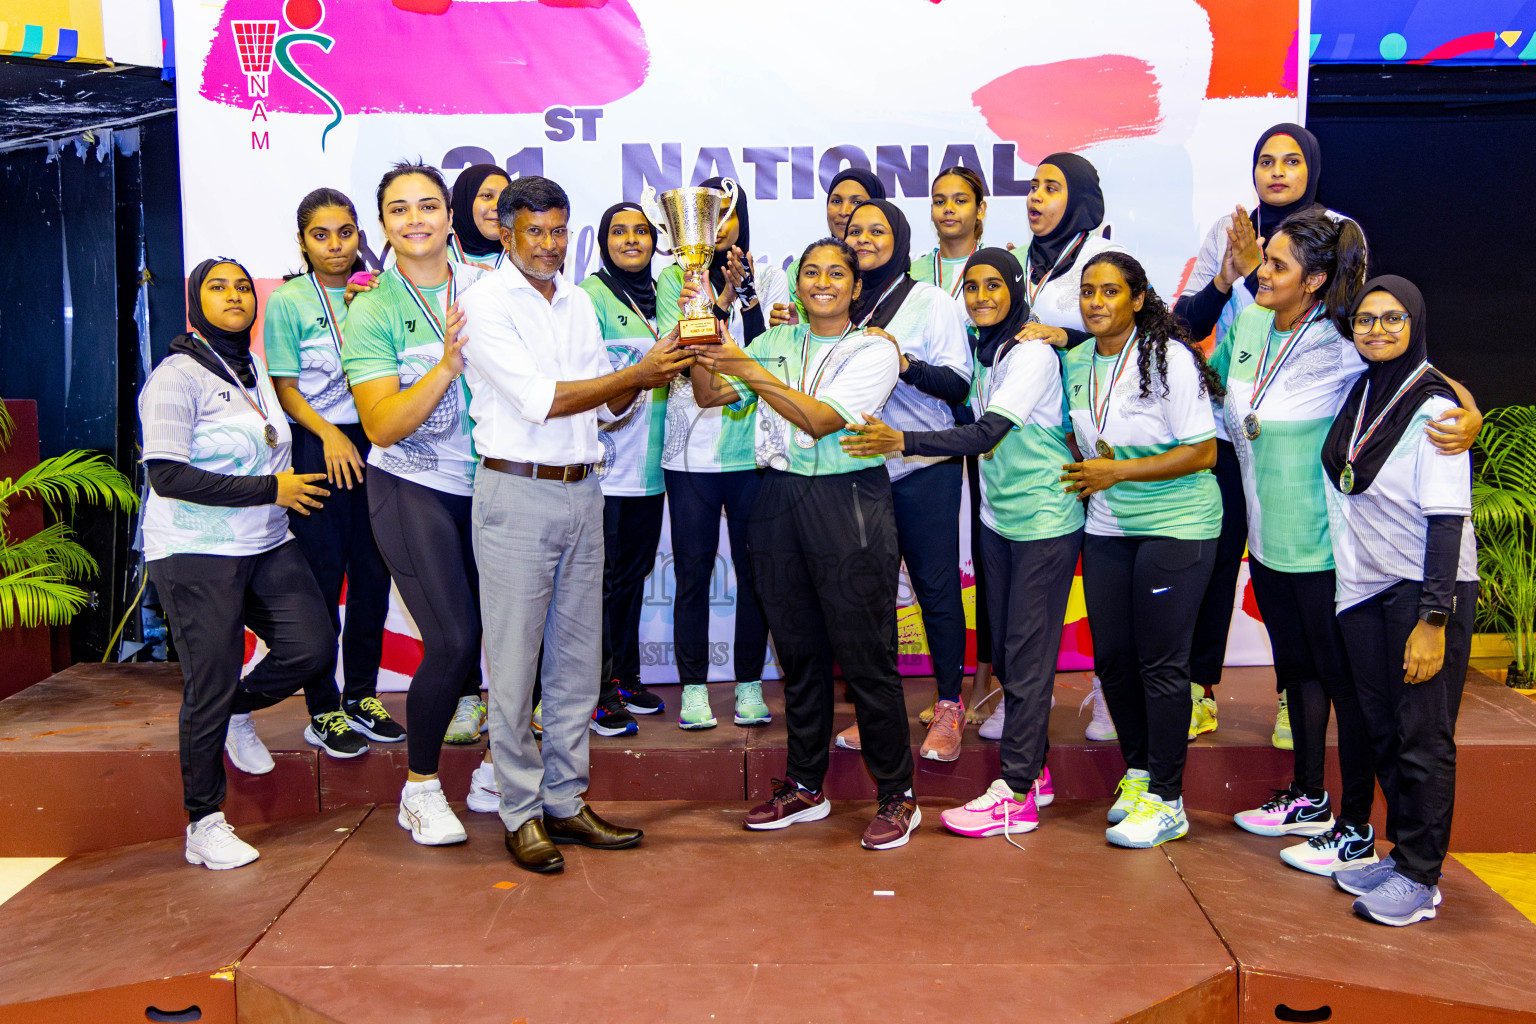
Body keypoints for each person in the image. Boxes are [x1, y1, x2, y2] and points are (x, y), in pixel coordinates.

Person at [461, 175, 688, 873]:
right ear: (505, 233)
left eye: (560, 231)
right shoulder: (482, 302)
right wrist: (635, 375)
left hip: (585, 490)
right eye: (536, 232)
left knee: (575, 663)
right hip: (516, 490)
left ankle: (565, 800)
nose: (550, 245)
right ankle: (520, 812)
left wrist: (651, 375)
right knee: (516, 661)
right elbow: (537, 401)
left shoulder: (579, 304)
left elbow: (601, 407)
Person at [842, 248, 1083, 835]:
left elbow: (985, 432)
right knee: (1009, 648)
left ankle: (1018, 793)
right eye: (971, 287)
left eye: (994, 285)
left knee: (1025, 659)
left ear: (1017, 288)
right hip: (1002, 520)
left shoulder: (1029, 356)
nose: (980, 297)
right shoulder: (990, 352)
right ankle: (1039, 774)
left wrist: (905, 440)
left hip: (1045, 522)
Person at [689, 237, 917, 850]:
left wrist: (745, 367)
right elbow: (710, 395)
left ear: (855, 286)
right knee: (799, 656)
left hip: (848, 505)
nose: (823, 282)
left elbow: (820, 420)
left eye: (836, 273)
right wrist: (699, 336)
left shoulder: (873, 351)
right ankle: (806, 785)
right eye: (811, 272)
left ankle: (897, 794)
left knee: (866, 656)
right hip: (775, 500)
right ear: (797, 286)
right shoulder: (771, 343)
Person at [140, 258, 340, 870]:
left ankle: (235, 711)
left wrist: (270, 500)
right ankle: (203, 822)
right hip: (195, 550)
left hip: (264, 541)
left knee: (311, 646)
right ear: (195, 301)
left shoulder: (248, 370)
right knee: (210, 679)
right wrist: (270, 490)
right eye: (217, 287)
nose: (234, 297)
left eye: (242, 288)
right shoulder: (176, 376)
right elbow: (166, 475)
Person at [1175, 124, 1347, 747]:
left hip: (1297, 432)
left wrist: (1254, 272)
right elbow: (1187, 319)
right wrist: (1226, 278)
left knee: (1288, 572)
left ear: (1313, 168)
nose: (1277, 171)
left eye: (1292, 160)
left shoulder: (1337, 233)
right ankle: (1198, 692)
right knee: (1217, 558)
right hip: (1228, 423)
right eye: (1266, 161)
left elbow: (1321, 321)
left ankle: (1290, 697)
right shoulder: (1229, 229)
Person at [1218, 212, 1378, 864]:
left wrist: (1466, 408)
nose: (1263, 273)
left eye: (1278, 266)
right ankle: (1310, 798)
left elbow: (1417, 377)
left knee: (1344, 684)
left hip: (1321, 545)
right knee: (1297, 674)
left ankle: (1357, 826)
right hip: (1267, 539)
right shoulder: (1253, 320)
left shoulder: (1344, 344)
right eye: (1265, 260)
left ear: (1314, 281)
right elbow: (1234, 404)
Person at [1323, 277, 1478, 927]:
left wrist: (1433, 620)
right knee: (1384, 731)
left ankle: (1423, 877)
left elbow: (1446, 521)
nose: (1377, 330)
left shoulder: (1437, 408)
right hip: (1363, 589)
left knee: (1422, 735)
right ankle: (1404, 852)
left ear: (1415, 322)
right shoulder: (1360, 390)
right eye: (1365, 320)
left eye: (1392, 320)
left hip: (1423, 590)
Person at [341, 162, 488, 847]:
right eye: (399, 210)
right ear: (385, 226)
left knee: (498, 637)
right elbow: (381, 424)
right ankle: (420, 789)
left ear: (450, 217)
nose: (415, 219)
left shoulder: (489, 290)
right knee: (454, 638)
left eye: (428, 205)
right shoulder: (370, 307)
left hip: (490, 483)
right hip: (411, 484)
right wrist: (448, 366)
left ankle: (495, 770)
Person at [1063, 251, 1224, 849]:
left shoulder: (1172, 359)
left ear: (1137, 298)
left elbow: (1203, 452)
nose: (1098, 301)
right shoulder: (1076, 362)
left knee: (1162, 665)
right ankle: (1138, 774)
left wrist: (1118, 474)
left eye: (1110, 291)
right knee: (1114, 660)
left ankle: (1168, 798)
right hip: (1108, 524)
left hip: (1178, 525)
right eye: (1088, 291)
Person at [831, 200, 972, 761]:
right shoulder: (840, 299)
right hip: (859, 470)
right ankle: (880, 712)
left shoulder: (930, 301)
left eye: (876, 230)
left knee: (936, 590)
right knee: (872, 595)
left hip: (922, 468)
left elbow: (959, 385)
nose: (863, 239)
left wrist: (903, 361)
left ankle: (948, 708)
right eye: (854, 231)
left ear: (900, 237)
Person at [265, 188, 402, 749]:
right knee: (322, 582)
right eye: (321, 235)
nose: (335, 245)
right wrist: (328, 436)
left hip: (380, 440)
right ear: (302, 242)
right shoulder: (288, 301)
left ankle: (362, 695)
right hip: (318, 447)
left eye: (345, 233)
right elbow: (285, 388)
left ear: (360, 235)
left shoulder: (384, 292)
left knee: (374, 576)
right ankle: (323, 708)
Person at [656, 176, 785, 731]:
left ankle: (751, 685)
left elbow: (772, 355)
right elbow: (688, 355)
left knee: (758, 577)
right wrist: (719, 299)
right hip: (691, 454)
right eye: (706, 220)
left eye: (725, 217)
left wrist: (746, 295)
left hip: (754, 451)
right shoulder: (673, 279)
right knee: (692, 575)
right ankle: (693, 690)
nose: (718, 230)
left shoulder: (777, 275)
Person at [1008, 152, 1126, 740]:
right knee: (1025, 593)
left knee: (1100, 581)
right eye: (1032, 186)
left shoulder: (1099, 260)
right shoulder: (1016, 261)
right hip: (1024, 454)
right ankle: (1020, 695)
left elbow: (1128, 331)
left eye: (1050, 188)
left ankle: (1109, 696)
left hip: (1092, 444)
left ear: (1078, 197)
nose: (1035, 197)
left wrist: (1068, 335)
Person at [581, 202, 672, 732]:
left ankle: (625, 677)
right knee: (602, 581)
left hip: (651, 467)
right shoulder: (588, 297)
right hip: (604, 466)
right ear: (604, 240)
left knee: (633, 577)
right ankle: (597, 690)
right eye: (619, 231)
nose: (632, 240)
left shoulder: (665, 294)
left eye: (641, 231)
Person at [776, 167, 885, 323]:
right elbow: (800, 333)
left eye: (856, 202)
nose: (844, 211)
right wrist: (790, 331)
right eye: (836, 201)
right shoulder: (801, 269)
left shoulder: (899, 273)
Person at [909, 165, 989, 299]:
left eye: (960, 201)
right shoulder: (911, 274)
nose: (948, 209)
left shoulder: (996, 266)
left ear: (980, 210)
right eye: (939, 202)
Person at [448, 162, 511, 269]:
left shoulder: (524, 258)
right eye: (487, 196)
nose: (498, 206)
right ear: (464, 201)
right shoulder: (434, 256)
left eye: (505, 198)